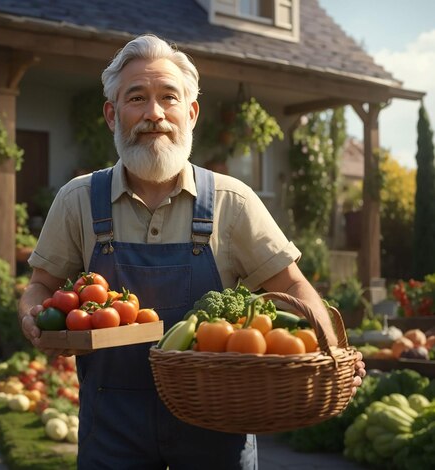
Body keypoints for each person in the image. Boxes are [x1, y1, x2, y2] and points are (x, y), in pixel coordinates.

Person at [19, 34, 366, 469]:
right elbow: (41, 287)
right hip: (111, 428)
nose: (154, 114)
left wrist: (331, 349)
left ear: (191, 112)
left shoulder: (231, 200)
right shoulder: (78, 200)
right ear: (112, 114)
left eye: (169, 97)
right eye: (137, 98)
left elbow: (292, 284)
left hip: (218, 426)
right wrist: (34, 317)